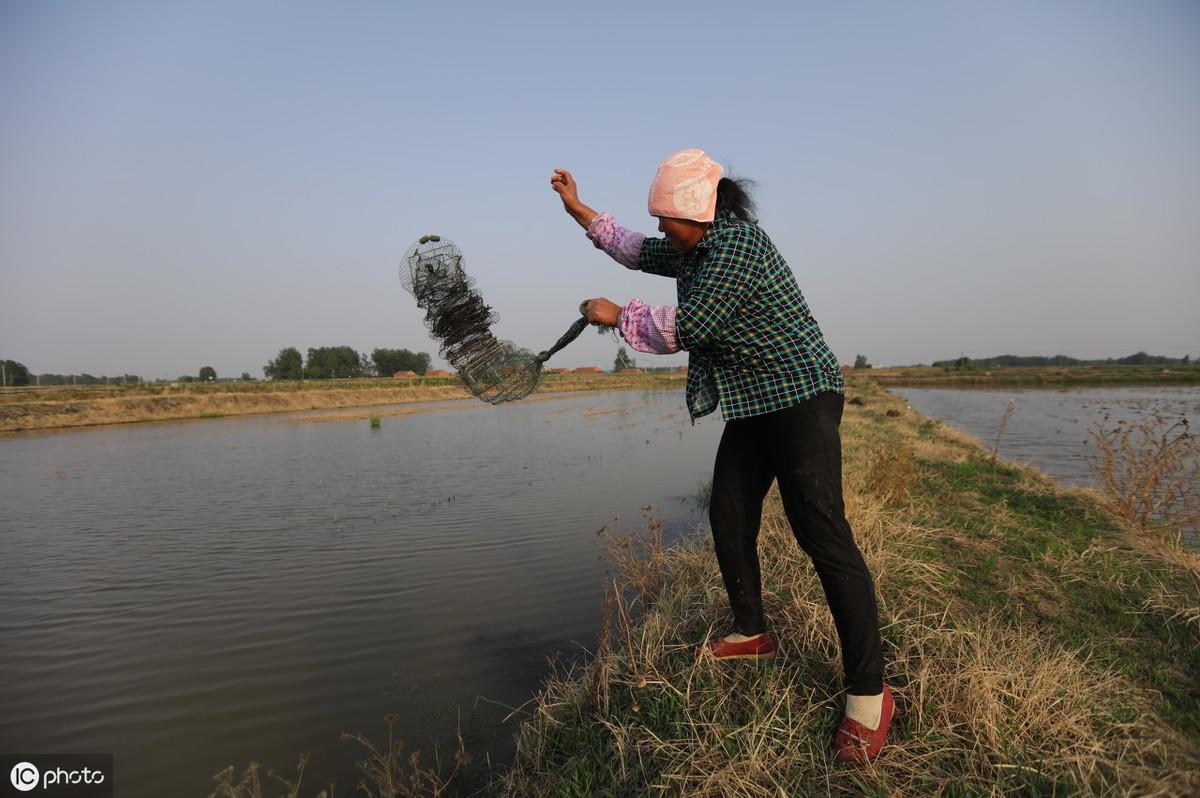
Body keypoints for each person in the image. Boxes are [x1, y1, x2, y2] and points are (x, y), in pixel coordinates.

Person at [550, 149, 893, 764]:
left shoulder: (736, 247)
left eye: (666, 219)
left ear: (698, 212)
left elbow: (694, 325)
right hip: (755, 402)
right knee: (729, 517)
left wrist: (616, 313)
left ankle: (869, 692)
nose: (659, 229)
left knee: (822, 534)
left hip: (801, 397)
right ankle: (753, 631)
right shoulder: (693, 247)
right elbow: (632, 246)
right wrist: (578, 209)